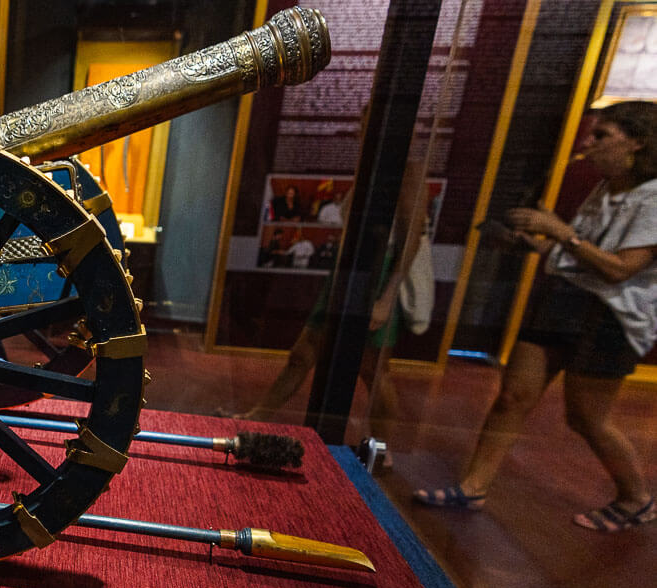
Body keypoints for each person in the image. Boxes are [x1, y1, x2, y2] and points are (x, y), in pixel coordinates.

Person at [414, 101, 657, 531]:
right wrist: (529, 242)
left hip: (608, 316)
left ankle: (637, 497)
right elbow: (578, 255)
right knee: (513, 397)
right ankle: (474, 485)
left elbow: (621, 268)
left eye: (603, 136)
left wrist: (560, 231)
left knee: (585, 417)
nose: (590, 144)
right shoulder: (606, 187)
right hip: (563, 300)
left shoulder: (652, 198)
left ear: (637, 142)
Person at [225, 164, 431, 466]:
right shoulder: (372, 164)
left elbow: (410, 237)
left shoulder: (407, 172)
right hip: (351, 270)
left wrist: (386, 297)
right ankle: (257, 417)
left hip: (377, 271)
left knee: (373, 371)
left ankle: (383, 448)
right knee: (303, 353)